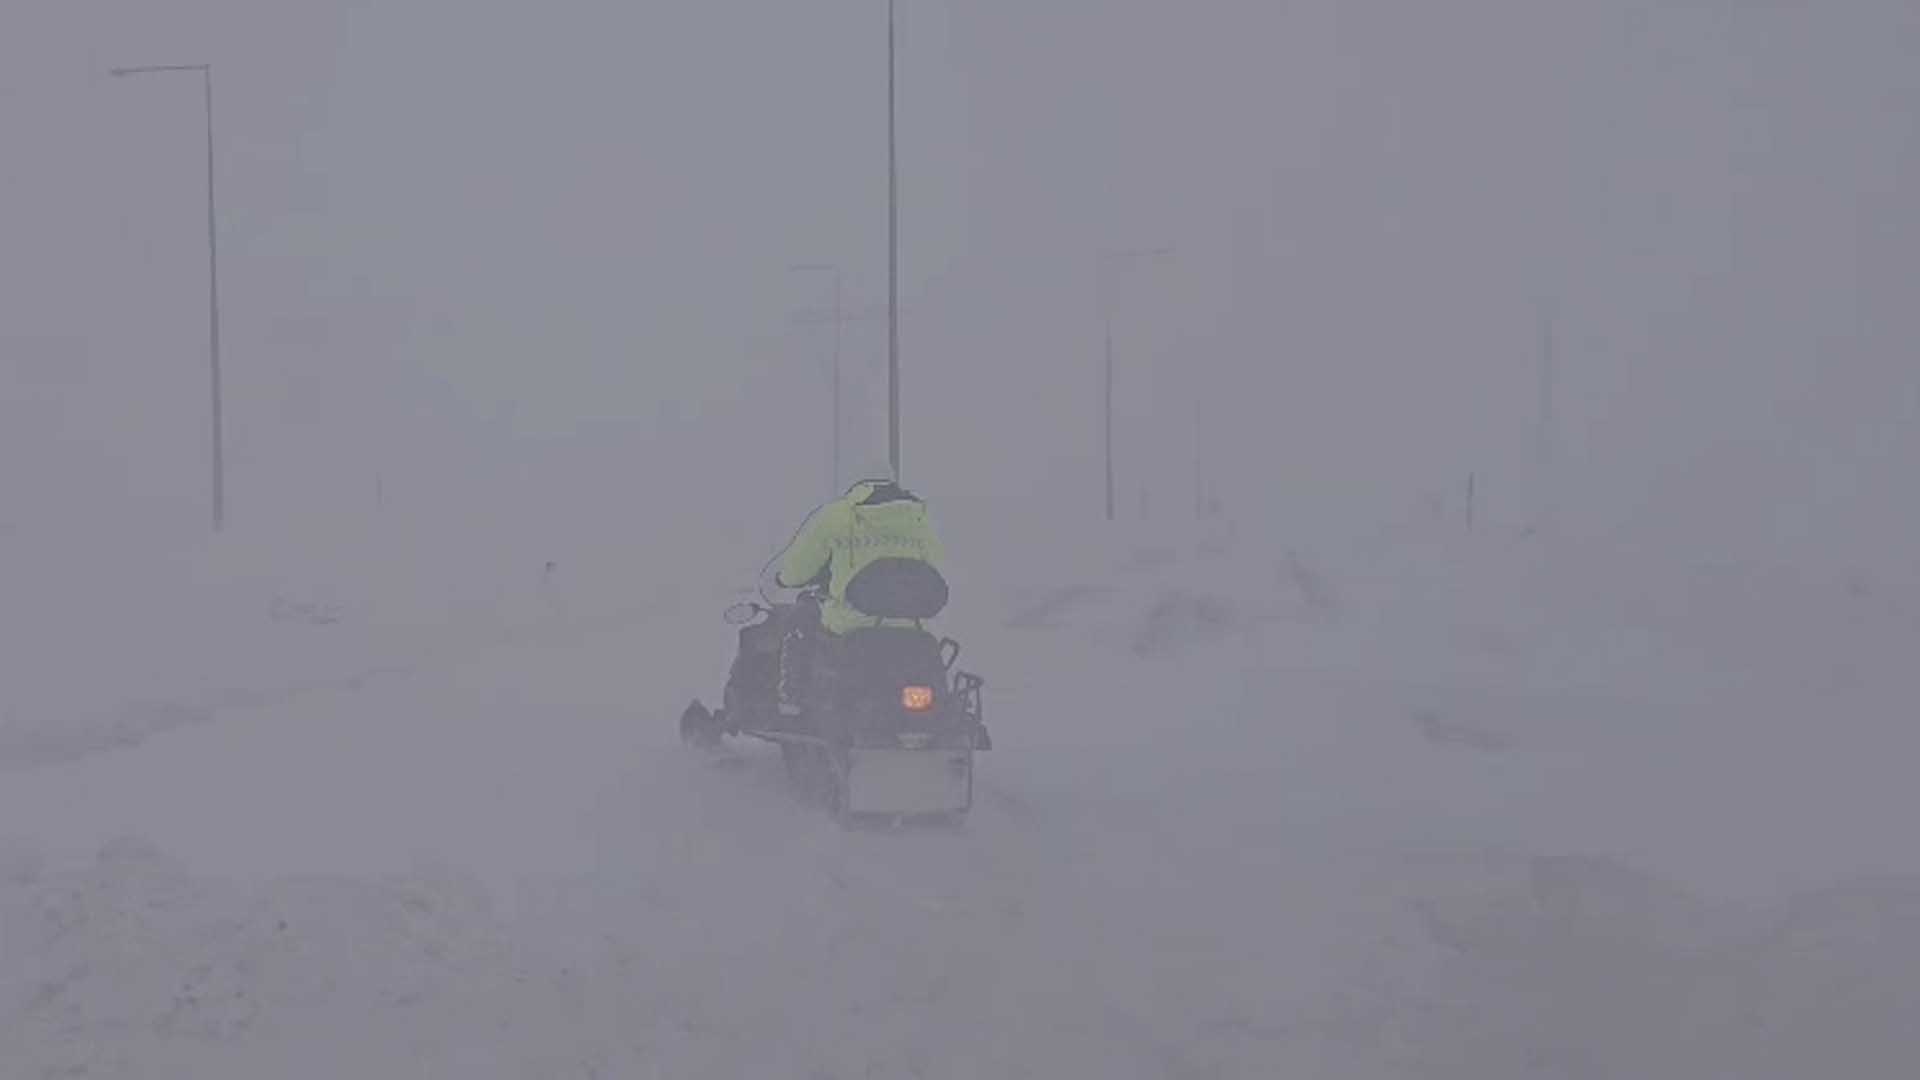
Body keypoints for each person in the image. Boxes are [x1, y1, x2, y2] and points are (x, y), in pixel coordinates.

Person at [749, 466, 947, 719]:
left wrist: (782, 578)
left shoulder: (837, 515)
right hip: (914, 625)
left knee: (800, 619)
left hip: (851, 625)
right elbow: (934, 565)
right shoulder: (919, 518)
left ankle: (792, 700)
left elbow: (798, 570)